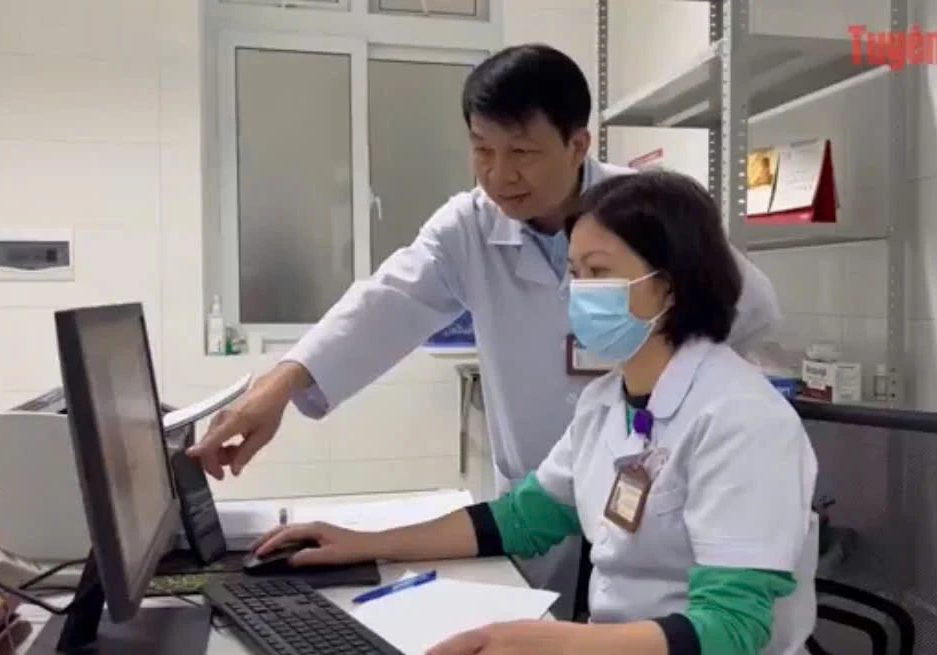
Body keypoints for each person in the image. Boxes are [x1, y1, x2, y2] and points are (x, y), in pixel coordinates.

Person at [186, 43, 784, 616]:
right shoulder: (471, 229)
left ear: (577, 144)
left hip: (660, 490)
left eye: (522, 152)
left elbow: (745, 306)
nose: (499, 175)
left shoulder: (648, 217)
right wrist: (282, 383)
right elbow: (385, 301)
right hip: (547, 494)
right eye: (481, 150)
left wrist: (670, 395)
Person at [251, 170, 819, 655]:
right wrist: (362, 544)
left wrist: (554, 644)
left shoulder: (741, 420)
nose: (577, 292)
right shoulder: (606, 403)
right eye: (575, 272)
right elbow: (524, 518)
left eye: (598, 272)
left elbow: (732, 630)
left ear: (669, 288)